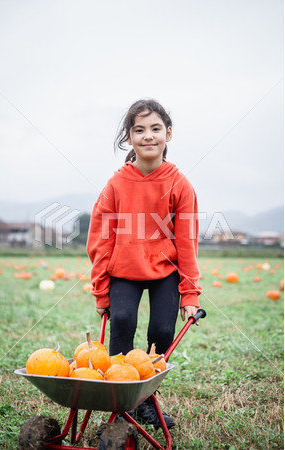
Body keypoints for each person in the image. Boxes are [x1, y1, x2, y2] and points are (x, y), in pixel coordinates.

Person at [86, 99, 202, 429]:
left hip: (165, 272)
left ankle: (145, 401)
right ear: (129, 138)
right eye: (139, 130)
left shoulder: (180, 185)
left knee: (162, 331)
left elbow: (187, 243)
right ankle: (121, 404)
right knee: (122, 320)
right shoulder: (116, 184)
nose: (148, 136)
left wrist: (190, 294)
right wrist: (101, 290)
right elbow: (100, 239)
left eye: (155, 129)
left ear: (168, 134)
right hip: (124, 271)